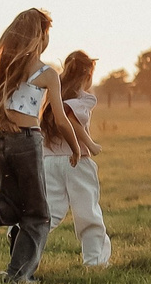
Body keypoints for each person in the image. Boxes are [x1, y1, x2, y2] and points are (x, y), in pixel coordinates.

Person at [0, 8, 83, 284]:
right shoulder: (47, 74)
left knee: (11, 204)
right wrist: (75, 147)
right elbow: (60, 119)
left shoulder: (2, 70)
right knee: (37, 215)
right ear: (40, 37)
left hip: (0, 141)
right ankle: (18, 277)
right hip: (26, 141)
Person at [42, 49, 110, 266]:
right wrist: (89, 144)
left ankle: (21, 234)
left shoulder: (53, 96)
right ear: (87, 75)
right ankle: (95, 261)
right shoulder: (82, 98)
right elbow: (71, 118)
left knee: (50, 211)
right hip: (76, 160)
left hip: (50, 161)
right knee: (87, 212)